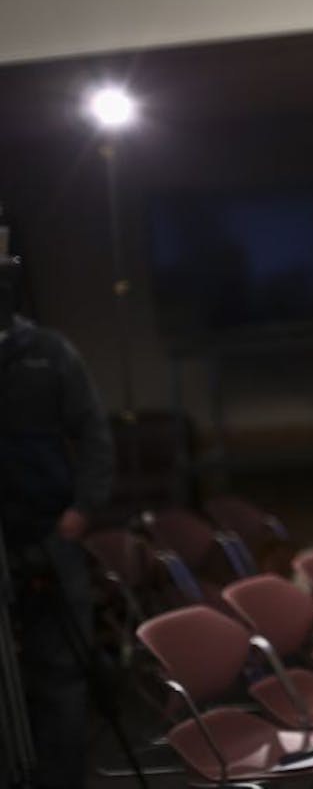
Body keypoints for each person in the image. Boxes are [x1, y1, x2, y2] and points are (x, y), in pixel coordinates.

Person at [0, 254, 114, 788]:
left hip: (50, 531)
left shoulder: (48, 353)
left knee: (62, 675)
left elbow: (93, 432)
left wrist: (83, 509)